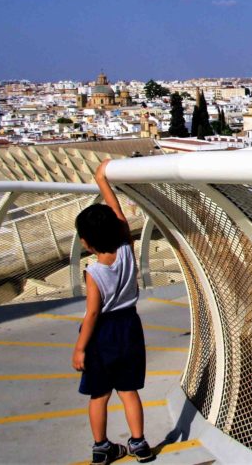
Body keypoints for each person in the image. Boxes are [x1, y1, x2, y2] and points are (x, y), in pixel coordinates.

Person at [72, 159, 154, 464]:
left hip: (103, 333)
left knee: (100, 394)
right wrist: (102, 177)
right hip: (129, 326)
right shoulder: (126, 250)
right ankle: (139, 443)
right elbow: (118, 214)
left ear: (87, 244)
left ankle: (102, 447)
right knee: (129, 390)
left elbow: (92, 314)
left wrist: (80, 348)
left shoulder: (94, 273)